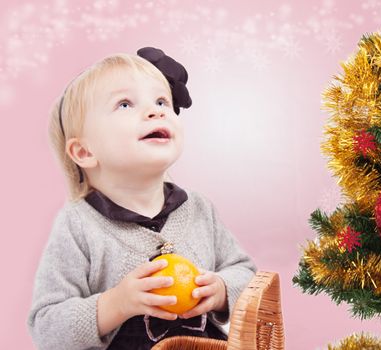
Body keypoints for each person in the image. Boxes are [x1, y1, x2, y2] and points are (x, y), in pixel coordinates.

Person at [27, 47, 257, 350]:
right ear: (84, 152)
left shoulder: (199, 209)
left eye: (162, 101)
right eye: (124, 104)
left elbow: (249, 277)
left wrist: (223, 290)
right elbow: (46, 325)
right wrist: (115, 304)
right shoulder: (79, 225)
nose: (156, 111)